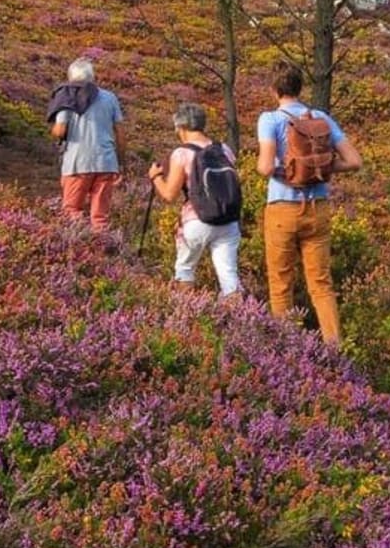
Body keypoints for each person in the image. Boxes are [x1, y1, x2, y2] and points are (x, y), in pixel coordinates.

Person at [254, 66, 361, 343]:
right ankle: (334, 349)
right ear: (300, 88)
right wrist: (319, 167)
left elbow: (265, 167)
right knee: (322, 285)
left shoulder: (270, 119)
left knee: (281, 285)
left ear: (274, 90)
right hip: (318, 207)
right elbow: (354, 161)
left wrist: (288, 170)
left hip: (282, 208)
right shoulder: (322, 118)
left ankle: (288, 350)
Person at [146, 101, 242, 297]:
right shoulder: (224, 149)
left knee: (185, 269)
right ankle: (241, 319)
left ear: (180, 128)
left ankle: (187, 315)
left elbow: (169, 195)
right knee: (229, 278)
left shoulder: (182, 153)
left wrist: (155, 177)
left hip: (196, 220)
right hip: (228, 220)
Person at [47, 57, 124, 233]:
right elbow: (120, 132)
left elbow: (60, 130)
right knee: (100, 217)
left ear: (70, 77)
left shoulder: (66, 97)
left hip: (76, 162)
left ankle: (77, 251)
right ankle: (103, 251)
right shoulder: (109, 98)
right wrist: (120, 163)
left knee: (72, 211)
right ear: (92, 77)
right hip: (106, 161)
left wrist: (54, 131)